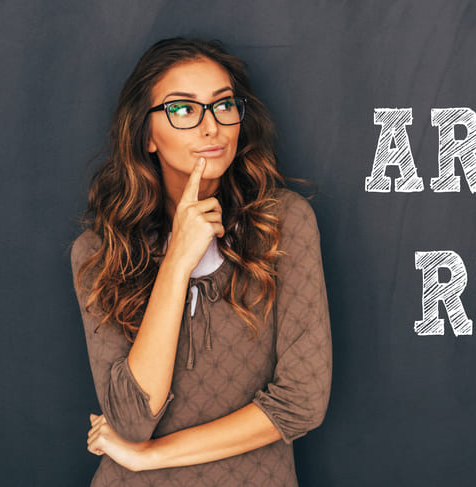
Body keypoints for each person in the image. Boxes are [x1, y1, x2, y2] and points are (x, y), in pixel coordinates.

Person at [70, 37, 331, 486]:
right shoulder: (99, 252)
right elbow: (132, 419)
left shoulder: (283, 223)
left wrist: (148, 458)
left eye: (223, 105)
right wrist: (176, 261)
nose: (211, 127)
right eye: (183, 109)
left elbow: (301, 402)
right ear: (147, 134)